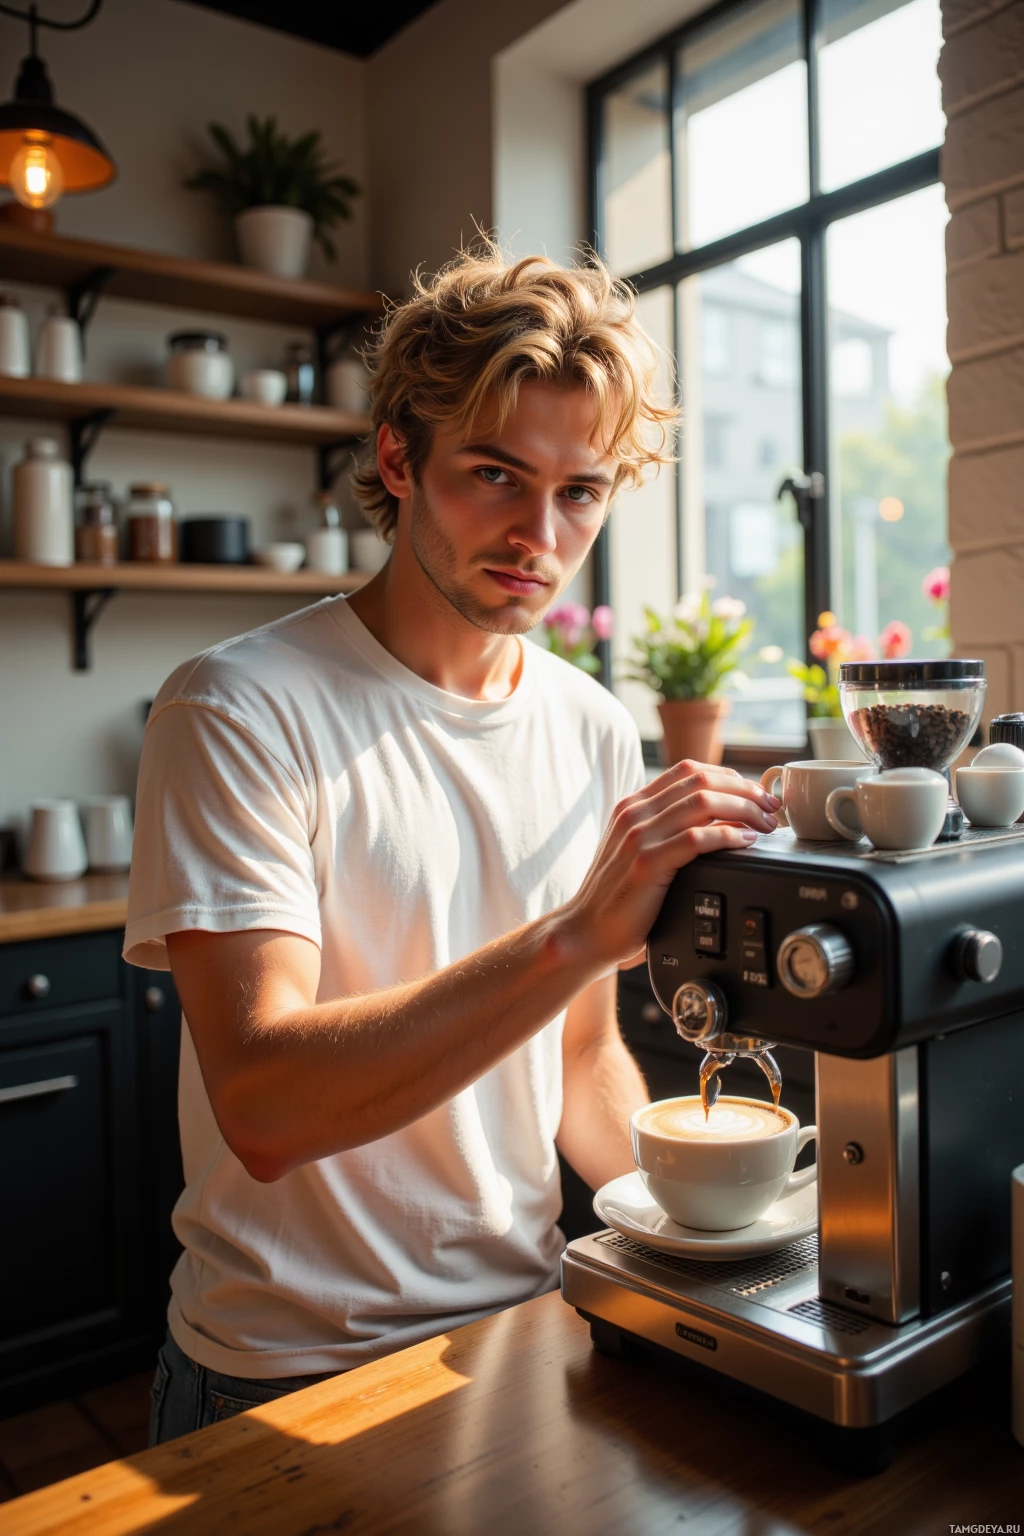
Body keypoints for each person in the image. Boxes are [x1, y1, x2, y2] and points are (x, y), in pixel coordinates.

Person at [125, 244, 780, 1444]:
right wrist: (579, 930)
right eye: (495, 474)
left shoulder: (586, 723)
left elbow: (580, 1059)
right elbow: (264, 1108)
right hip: (282, 1377)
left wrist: (709, 1239)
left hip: (526, 1335)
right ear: (397, 460)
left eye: (580, 491)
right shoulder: (237, 706)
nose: (539, 532)